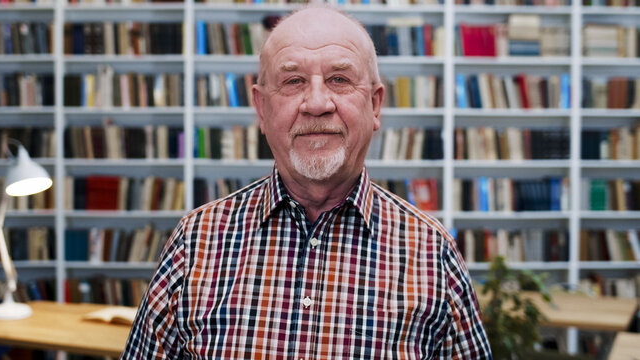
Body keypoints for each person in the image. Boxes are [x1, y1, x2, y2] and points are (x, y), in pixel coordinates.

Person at [121, 5, 491, 359]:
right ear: (262, 109)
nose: (316, 103)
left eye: (339, 79)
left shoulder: (432, 253)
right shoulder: (196, 241)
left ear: (375, 106)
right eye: (294, 81)